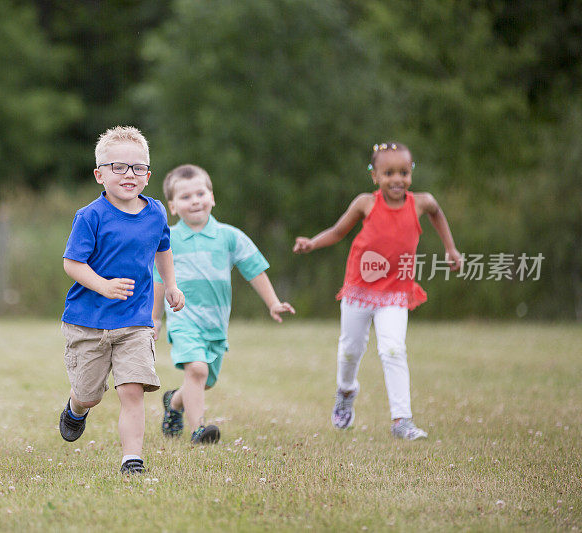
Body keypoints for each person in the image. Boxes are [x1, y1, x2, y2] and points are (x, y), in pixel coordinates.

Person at [293, 142, 462, 440]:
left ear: (411, 173)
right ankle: (345, 392)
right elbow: (337, 232)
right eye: (389, 173)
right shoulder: (365, 204)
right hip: (359, 290)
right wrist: (312, 243)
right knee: (350, 350)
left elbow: (437, 213)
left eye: (404, 172)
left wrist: (450, 249)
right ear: (375, 176)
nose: (397, 179)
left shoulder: (421, 202)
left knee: (394, 349)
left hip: (396, 292)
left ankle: (402, 420)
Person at [58, 126, 185, 474]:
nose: (129, 174)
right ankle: (76, 409)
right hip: (88, 321)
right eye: (119, 167)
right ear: (100, 174)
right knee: (90, 394)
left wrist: (171, 285)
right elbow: (72, 263)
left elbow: (164, 248)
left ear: (148, 174)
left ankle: (132, 460)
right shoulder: (91, 216)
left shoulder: (156, 212)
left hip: (135, 321)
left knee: (132, 391)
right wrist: (102, 285)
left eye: (138, 167)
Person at [153, 164, 295, 444]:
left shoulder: (229, 236)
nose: (194, 200)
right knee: (197, 370)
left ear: (212, 197)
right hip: (184, 319)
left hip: (215, 324)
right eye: (185, 197)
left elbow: (253, 268)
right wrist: (155, 317)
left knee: (205, 380)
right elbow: (159, 279)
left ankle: (174, 402)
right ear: (172, 206)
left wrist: (273, 303)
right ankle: (199, 430)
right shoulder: (167, 240)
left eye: (200, 193)